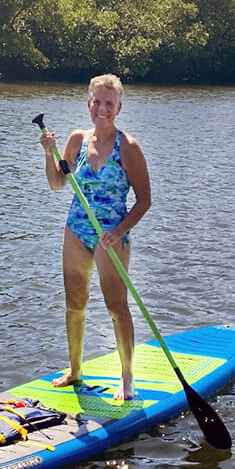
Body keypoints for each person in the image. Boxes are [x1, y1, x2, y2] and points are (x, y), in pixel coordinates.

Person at [38, 74, 151, 401]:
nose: (102, 109)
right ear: (89, 104)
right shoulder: (75, 140)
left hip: (111, 234)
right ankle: (75, 370)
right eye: (97, 102)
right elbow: (58, 184)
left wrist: (118, 232)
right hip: (77, 228)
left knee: (116, 306)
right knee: (75, 302)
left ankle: (127, 378)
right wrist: (49, 154)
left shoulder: (128, 147)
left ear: (118, 107)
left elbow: (144, 200)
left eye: (109, 103)